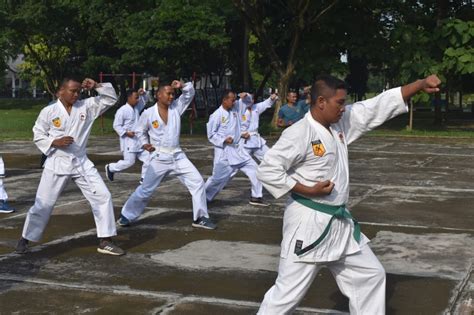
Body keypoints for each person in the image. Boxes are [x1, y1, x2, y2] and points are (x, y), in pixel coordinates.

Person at [256, 74, 441, 314]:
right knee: (286, 295)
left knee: (370, 276)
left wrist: (418, 85)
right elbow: (267, 169)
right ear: (321, 101)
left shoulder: (339, 124)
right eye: (340, 102)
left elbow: (375, 106)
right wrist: (306, 189)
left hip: (339, 225)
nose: (344, 108)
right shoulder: (298, 133)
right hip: (308, 226)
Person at [16, 77, 125, 256]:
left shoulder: (87, 107)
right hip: (57, 162)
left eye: (78, 91)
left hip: (81, 162)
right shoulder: (49, 111)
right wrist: (54, 142)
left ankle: (105, 240)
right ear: (60, 91)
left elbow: (110, 99)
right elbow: (38, 133)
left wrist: (97, 86)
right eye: (72, 91)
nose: (76, 94)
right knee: (43, 203)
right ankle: (26, 238)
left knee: (103, 196)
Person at [118, 80, 216, 230]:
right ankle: (127, 215)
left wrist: (182, 86)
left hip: (178, 155)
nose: (171, 96)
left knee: (197, 182)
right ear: (158, 95)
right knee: (146, 190)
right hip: (159, 157)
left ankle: (200, 217)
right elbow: (139, 131)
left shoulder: (177, 108)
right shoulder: (148, 113)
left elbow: (189, 93)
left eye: (173, 94)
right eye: (168, 93)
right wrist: (145, 143)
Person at [205, 90, 268, 206]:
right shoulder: (216, 115)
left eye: (235, 100)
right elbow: (211, 134)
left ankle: (256, 197)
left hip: (238, 150)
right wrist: (223, 139)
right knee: (218, 178)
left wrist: (246, 95)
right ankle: (203, 197)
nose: (234, 102)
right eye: (232, 100)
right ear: (224, 100)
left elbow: (249, 102)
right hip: (224, 151)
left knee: (256, 170)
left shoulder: (236, 108)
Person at [105, 88, 150, 183]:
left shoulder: (137, 107)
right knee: (129, 162)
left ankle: (144, 178)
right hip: (129, 141)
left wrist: (143, 93)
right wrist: (126, 132)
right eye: (136, 98)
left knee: (149, 157)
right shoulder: (122, 111)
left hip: (139, 140)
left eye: (138, 98)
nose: (138, 100)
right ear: (129, 98)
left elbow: (145, 100)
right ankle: (111, 168)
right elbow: (116, 125)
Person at [239, 92, 278, 161]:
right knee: (239, 163)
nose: (251, 101)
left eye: (253, 99)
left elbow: (266, 103)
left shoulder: (256, 107)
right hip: (243, 142)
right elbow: (232, 127)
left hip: (256, 140)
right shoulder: (237, 110)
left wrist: (271, 98)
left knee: (270, 159)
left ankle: (272, 171)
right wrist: (241, 134)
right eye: (248, 99)